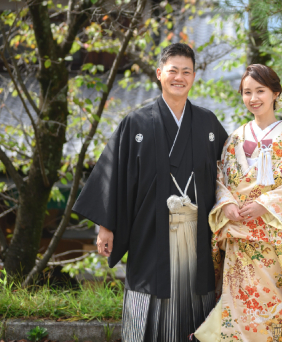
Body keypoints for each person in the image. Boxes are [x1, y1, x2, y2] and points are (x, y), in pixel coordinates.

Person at [73, 43, 228, 342]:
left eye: (186, 71)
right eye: (173, 71)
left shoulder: (208, 123)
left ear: (194, 77)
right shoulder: (136, 123)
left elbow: (228, 176)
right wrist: (105, 226)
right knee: (147, 295)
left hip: (198, 234)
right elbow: (114, 176)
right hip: (150, 232)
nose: (179, 77)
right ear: (159, 74)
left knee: (197, 296)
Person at [207, 64, 282, 342]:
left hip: (273, 242)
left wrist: (265, 204)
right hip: (239, 239)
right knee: (238, 310)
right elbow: (220, 179)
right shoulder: (234, 139)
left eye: (260, 91)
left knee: (275, 310)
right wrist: (226, 203)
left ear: (275, 93)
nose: (253, 98)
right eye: (247, 92)